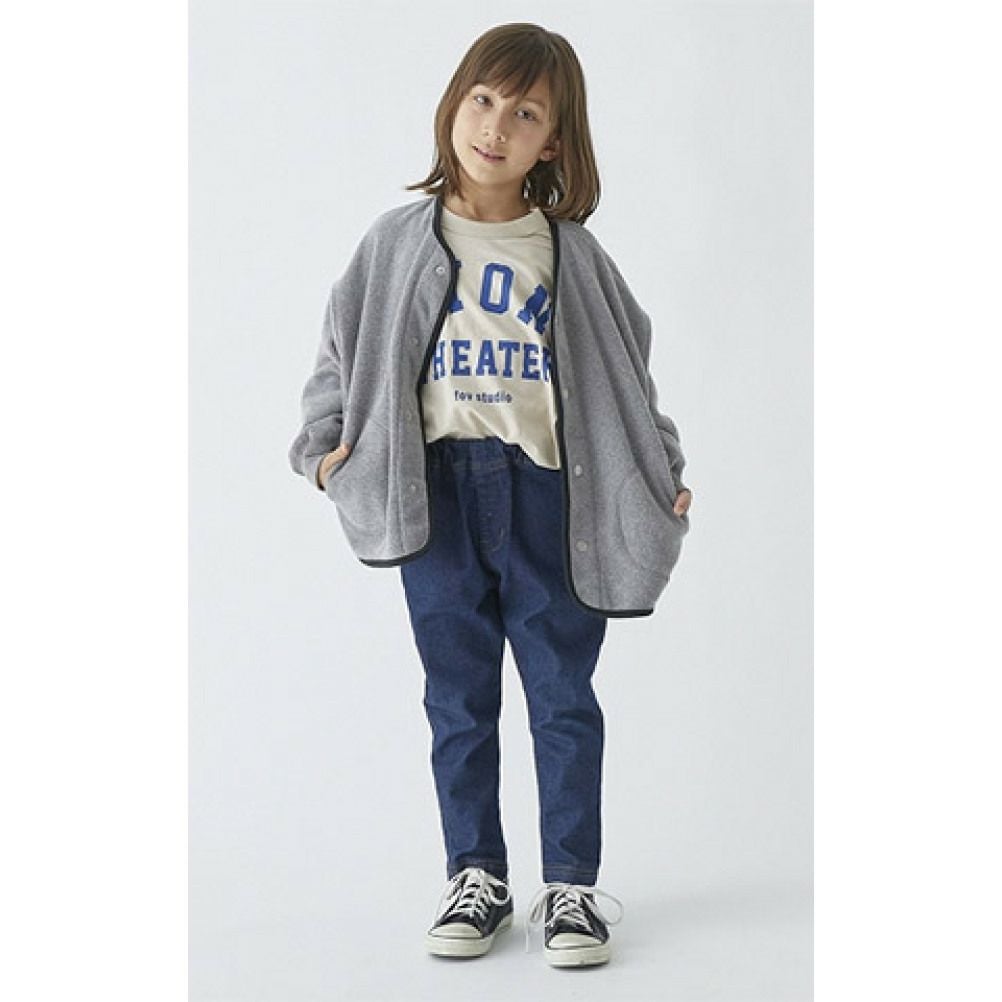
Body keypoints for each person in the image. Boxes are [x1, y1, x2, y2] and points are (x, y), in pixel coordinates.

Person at [288, 22, 693, 968]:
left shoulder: (570, 255)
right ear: (454, 105)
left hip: (552, 497)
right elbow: (339, 356)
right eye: (482, 100)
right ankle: (477, 875)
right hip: (434, 495)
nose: (495, 127)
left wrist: (662, 473)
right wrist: (326, 456)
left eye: (525, 113)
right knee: (458, 700)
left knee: (562, 695)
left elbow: (628, 375)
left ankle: (571, 888)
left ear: (552, 141)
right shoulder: (393, 244)